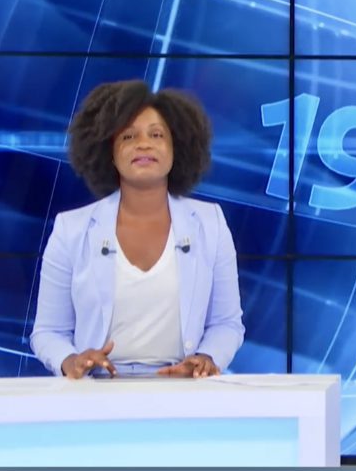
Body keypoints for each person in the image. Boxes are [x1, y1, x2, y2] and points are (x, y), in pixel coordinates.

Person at [30, 80, 245, 379]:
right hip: (96, 392)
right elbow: (47, 331)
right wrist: (71, 361)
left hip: (183, 391)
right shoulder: (71, 229)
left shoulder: (211, 223)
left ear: (177, 148)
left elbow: (227, 323)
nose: (143, 144)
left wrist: (206, 359)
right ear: (109, 151)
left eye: (156, 135)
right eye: (128, 136)